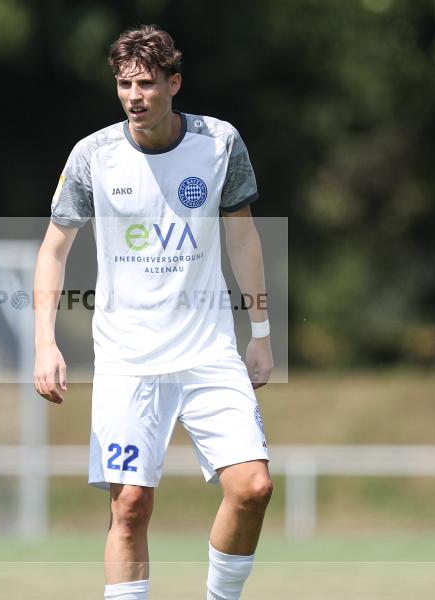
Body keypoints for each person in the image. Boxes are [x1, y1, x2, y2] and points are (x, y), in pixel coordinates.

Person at [33, 25, 274, 600]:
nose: (133, 96)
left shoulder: (219, 144)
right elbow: (54, 248)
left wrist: (261, 331)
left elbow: (243, 241)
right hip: (127, 361)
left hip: (208, 352)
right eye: (123, 84)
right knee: (131, 507)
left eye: (145, 83)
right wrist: (45, 341)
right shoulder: (93, 155)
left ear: (174, 83)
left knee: (253, 487)